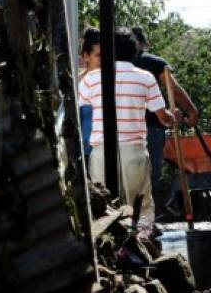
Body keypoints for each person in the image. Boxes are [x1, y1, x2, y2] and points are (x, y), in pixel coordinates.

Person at [78, 27, 184, 228]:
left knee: (105, 209)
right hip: (134, 152)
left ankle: (113, 252)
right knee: (141, 207)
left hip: (101, 153)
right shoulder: (145, 77)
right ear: (135, 51)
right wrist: (174, 116)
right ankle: (142, 246)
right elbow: (163, 118)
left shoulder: (91, 79)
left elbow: (83, 106)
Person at [130, 26, 198, 209]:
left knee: (127, 173)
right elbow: (173, 89)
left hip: (122, 127)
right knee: (151, 173)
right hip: (152, 126)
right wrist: (191, 111)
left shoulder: (112, 64)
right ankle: (146, 219)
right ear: (144, 44)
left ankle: (131, 218)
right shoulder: (155, 63)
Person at [78, 27, 101, 159]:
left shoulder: (111, 82)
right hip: (83, 153)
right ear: (86, 56)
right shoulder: (77, 82)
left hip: (106, 150)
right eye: (98, 55)